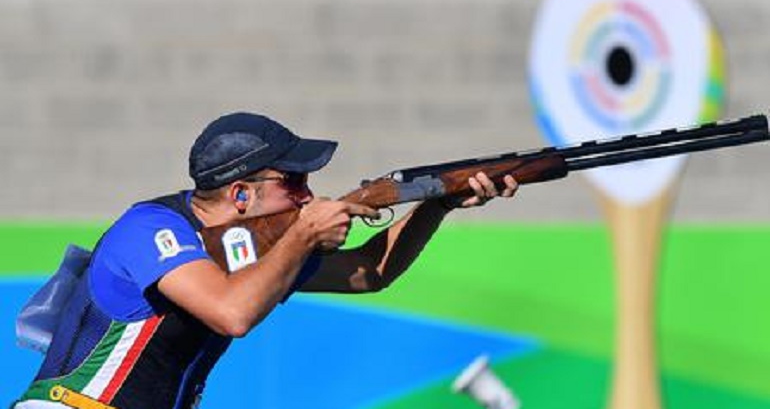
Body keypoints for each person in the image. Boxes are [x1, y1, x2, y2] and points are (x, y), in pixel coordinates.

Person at [13, 112, 518, 409]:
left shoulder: (258, 250)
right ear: (239, 195)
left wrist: (439, 201)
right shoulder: (150, 228)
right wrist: (302, 235)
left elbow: (370, 272)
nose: (307, 195)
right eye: (292, 182)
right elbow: (231, 313)